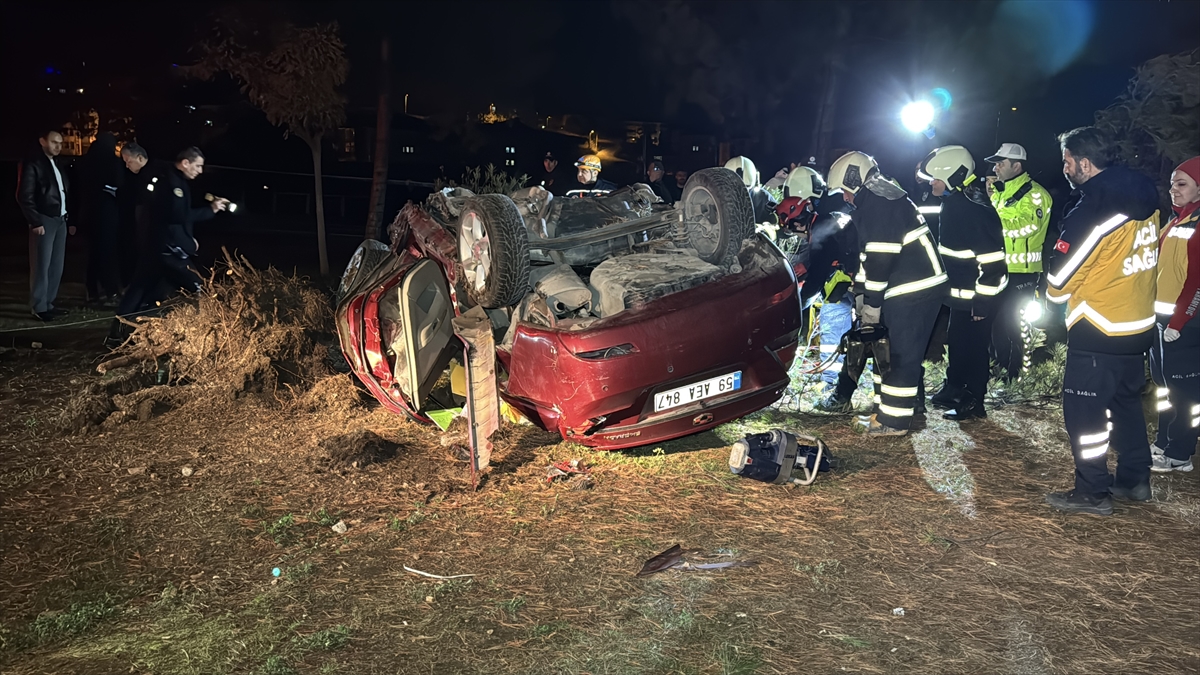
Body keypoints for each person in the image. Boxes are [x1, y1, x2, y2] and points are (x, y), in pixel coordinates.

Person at [1043, 127, 1160, 516]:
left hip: (1099, 325)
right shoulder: (1146, 195)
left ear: (1084, 162)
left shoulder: (1093, 208)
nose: (1065, 168)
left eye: (1067, 160)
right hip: (1137, 324)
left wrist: (1052, 282)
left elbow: (1060, 282)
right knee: (1126, 405)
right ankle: (1134, 479)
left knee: (1086, 414)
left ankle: (1092, 491)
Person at [827, 151, 948, 436]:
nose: (844, 197)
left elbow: (881, 260)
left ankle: (894, 422)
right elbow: (866, 258)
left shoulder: (879, 201)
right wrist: (860, 294)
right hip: (905, 288)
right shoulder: (878, 198)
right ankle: (883, 414)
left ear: (853, 179)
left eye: (845, 190)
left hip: (913, 289)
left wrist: (871, 306)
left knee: (900, 355)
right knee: (885, 351)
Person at [918, 146, 1007, 420]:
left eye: (934, 177)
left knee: (974, 346)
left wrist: (983, 301)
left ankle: (973, 400)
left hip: (978, 296)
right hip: (961, 295)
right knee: (957, 342)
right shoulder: (957, 202)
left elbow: (993, 261)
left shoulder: (972, 208)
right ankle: (954, 387)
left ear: (953, 175)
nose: (930, 182)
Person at [108, 147, 228, 346]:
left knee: (142, 290)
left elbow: (178, 217)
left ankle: (120, 333)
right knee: (198, 286)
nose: (199, 171)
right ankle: (208, 333)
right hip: (167, 249)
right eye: (197, 166)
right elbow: (178, 216)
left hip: (158, 247)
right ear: (185, 163)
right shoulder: (172, 183)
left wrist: (189, 238)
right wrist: (211, 210)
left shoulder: (175, 179)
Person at [775, 167, 860, 411]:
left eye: (793, 227)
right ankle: (838, 380)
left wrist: (796, 303)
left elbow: (819, 275)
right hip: (857, 283)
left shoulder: (820, 229)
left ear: (799, 220)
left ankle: (832, 382)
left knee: (833, 326)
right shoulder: (826, 221)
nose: (796, 234)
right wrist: (806, 266)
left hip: (852, 287)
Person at [1150, 156, 1200, 474]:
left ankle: (1180, 453)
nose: (1173, 189)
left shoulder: (1196, 224)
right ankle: (1163, 441)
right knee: (1165, 388)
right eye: (1171, 183)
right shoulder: (1175, 222)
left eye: (1181, 184)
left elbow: (1196, 282)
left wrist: (1179, 322)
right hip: (1161, 321)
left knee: (1186, 394)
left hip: (1184, 326)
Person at [986, 143, 1053, 380]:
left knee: (1014, 325)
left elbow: (1026, 227)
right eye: (995, 163)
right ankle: (998, 372)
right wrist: (991, 200)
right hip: (999, 268)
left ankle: (1016, 377)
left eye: (1000, 163)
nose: (995, 168)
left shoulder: (1036, 194)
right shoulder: (1001, 192)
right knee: (995, 324)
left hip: (1023, 272)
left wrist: (990, 220)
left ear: (1017, 166)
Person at [16, 129, 74, 321]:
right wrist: (35, 220)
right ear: (42, 141)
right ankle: (39, 306)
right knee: (42, 264)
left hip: (59, 219)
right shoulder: (34, 163)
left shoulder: (56, 163)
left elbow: (62, 192)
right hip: (44, 220)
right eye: (54, 142)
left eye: (60, 143)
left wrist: (67, 217)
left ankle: (49, 303)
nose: (58, 146)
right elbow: (25, 195)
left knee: (56, 264)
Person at [80, 131, 124, 306]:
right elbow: (119, 183)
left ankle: (92, 290)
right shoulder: (112, 162)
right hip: (108, 213)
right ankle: (110, 289)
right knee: (107, 252)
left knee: (94, 253)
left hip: (90, 214)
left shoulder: (87, 162)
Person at [117, 142, 152, 285]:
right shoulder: (131, 177)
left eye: (128, 161)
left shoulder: (153, 174)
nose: (127, 166)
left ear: (139, 158)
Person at [724, 156, 776, 225]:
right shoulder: (716, 197)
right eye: (735, 188)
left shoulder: (764, 198)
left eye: (746, 187)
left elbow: (775, 221)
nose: (741, 193)